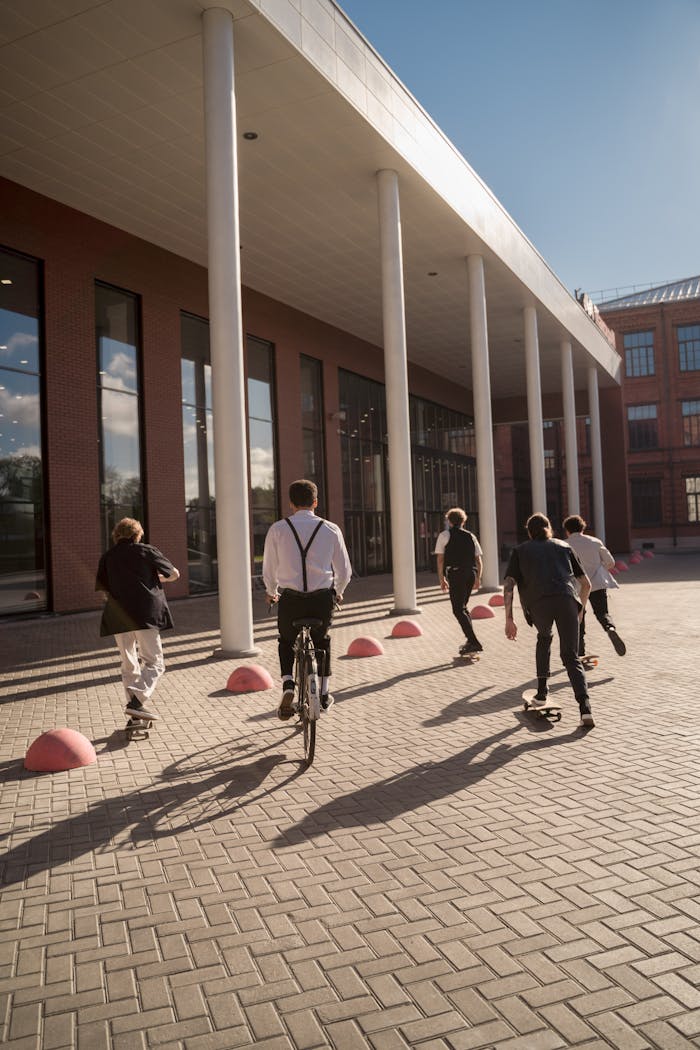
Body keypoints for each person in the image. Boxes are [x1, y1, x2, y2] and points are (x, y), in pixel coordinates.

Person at [263, 479, 352, 719]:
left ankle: (288, 683)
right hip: (321, 599)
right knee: (322, 642)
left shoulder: (278, 529)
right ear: (315, 502)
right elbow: (344, 571)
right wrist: (337, 591)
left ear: (291, 503)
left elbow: (269, 569)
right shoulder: (331, 529)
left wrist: (271, 591)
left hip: (290, 600)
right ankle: (323, 693)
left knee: (286, 641)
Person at [503, 512, 595, 728]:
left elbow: (508, 586)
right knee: (571, 657)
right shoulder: (564, 547)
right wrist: (579, 609)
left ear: (529, 532)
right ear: (549, 529)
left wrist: (509, 619)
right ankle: (585, 709)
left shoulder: (520, 550)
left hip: (539, 604)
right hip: (567, 601)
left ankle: (542, 693)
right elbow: (586, 583)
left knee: (544, 638)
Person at [96, 517, 180, 722]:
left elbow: (103, 591)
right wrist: (157, 578)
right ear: (137, 534)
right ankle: (137, 701)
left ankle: (135, 714)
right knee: (155, 663)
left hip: (118, 617)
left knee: (128, 664)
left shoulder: (107, 557)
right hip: (145, 615)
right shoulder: (147, 551)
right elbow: (174, 574)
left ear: (117, 535)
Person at [563, 515, 626, 658]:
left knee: (578, 616)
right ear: (583, 528)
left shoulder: (564, 544)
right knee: (602, 612)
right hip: (597, 583)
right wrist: (599, 568)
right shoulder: (595, 542)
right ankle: (610, 627)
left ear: (567, 530)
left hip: (576, 586)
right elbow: (611, 562)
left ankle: (580, 650)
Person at [434, 507, 483, 655]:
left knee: (458, 609)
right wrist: (478, 578)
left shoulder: (444, 535)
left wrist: (441, 579)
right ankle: (470, 640)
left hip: (456, 574)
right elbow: (478, 560)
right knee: (463, 607)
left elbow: (440, 559)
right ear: (463, 521)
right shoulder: (471, 536)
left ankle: (474, 642)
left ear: (449, 521)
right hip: (470, 574)